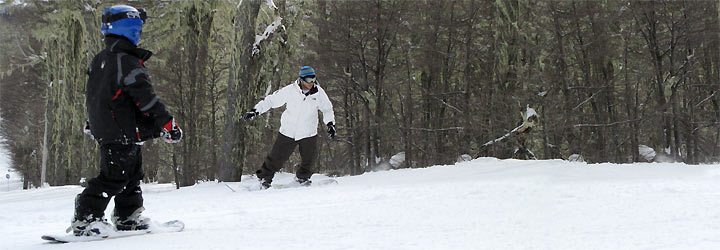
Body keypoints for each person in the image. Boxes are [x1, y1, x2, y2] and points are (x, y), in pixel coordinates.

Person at [71, 5, 182, 236]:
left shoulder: (101, 59)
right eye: (138, 29)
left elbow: (94, 96)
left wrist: (92, 121)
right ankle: (86, 218)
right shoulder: (126, 61)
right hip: (119, 130)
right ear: (131, 30)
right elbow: (146, 99)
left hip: (116, 128)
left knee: (131, 176)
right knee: (114, 177)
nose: (139, 34)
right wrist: (167, 123)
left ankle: (127, 216)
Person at [243, 66, 336, 189]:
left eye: (314, 79)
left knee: (309, 158)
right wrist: (255, 111)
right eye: (309, 79)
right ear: (302, 79)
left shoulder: (319, 93)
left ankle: (302, 179)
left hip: (308, 132)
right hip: (288, 130)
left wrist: (330, 124)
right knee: (275, 158)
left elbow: (327, 109)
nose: (311, 82)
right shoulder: (290, 90)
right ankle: (264, 179)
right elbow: (271, 101)